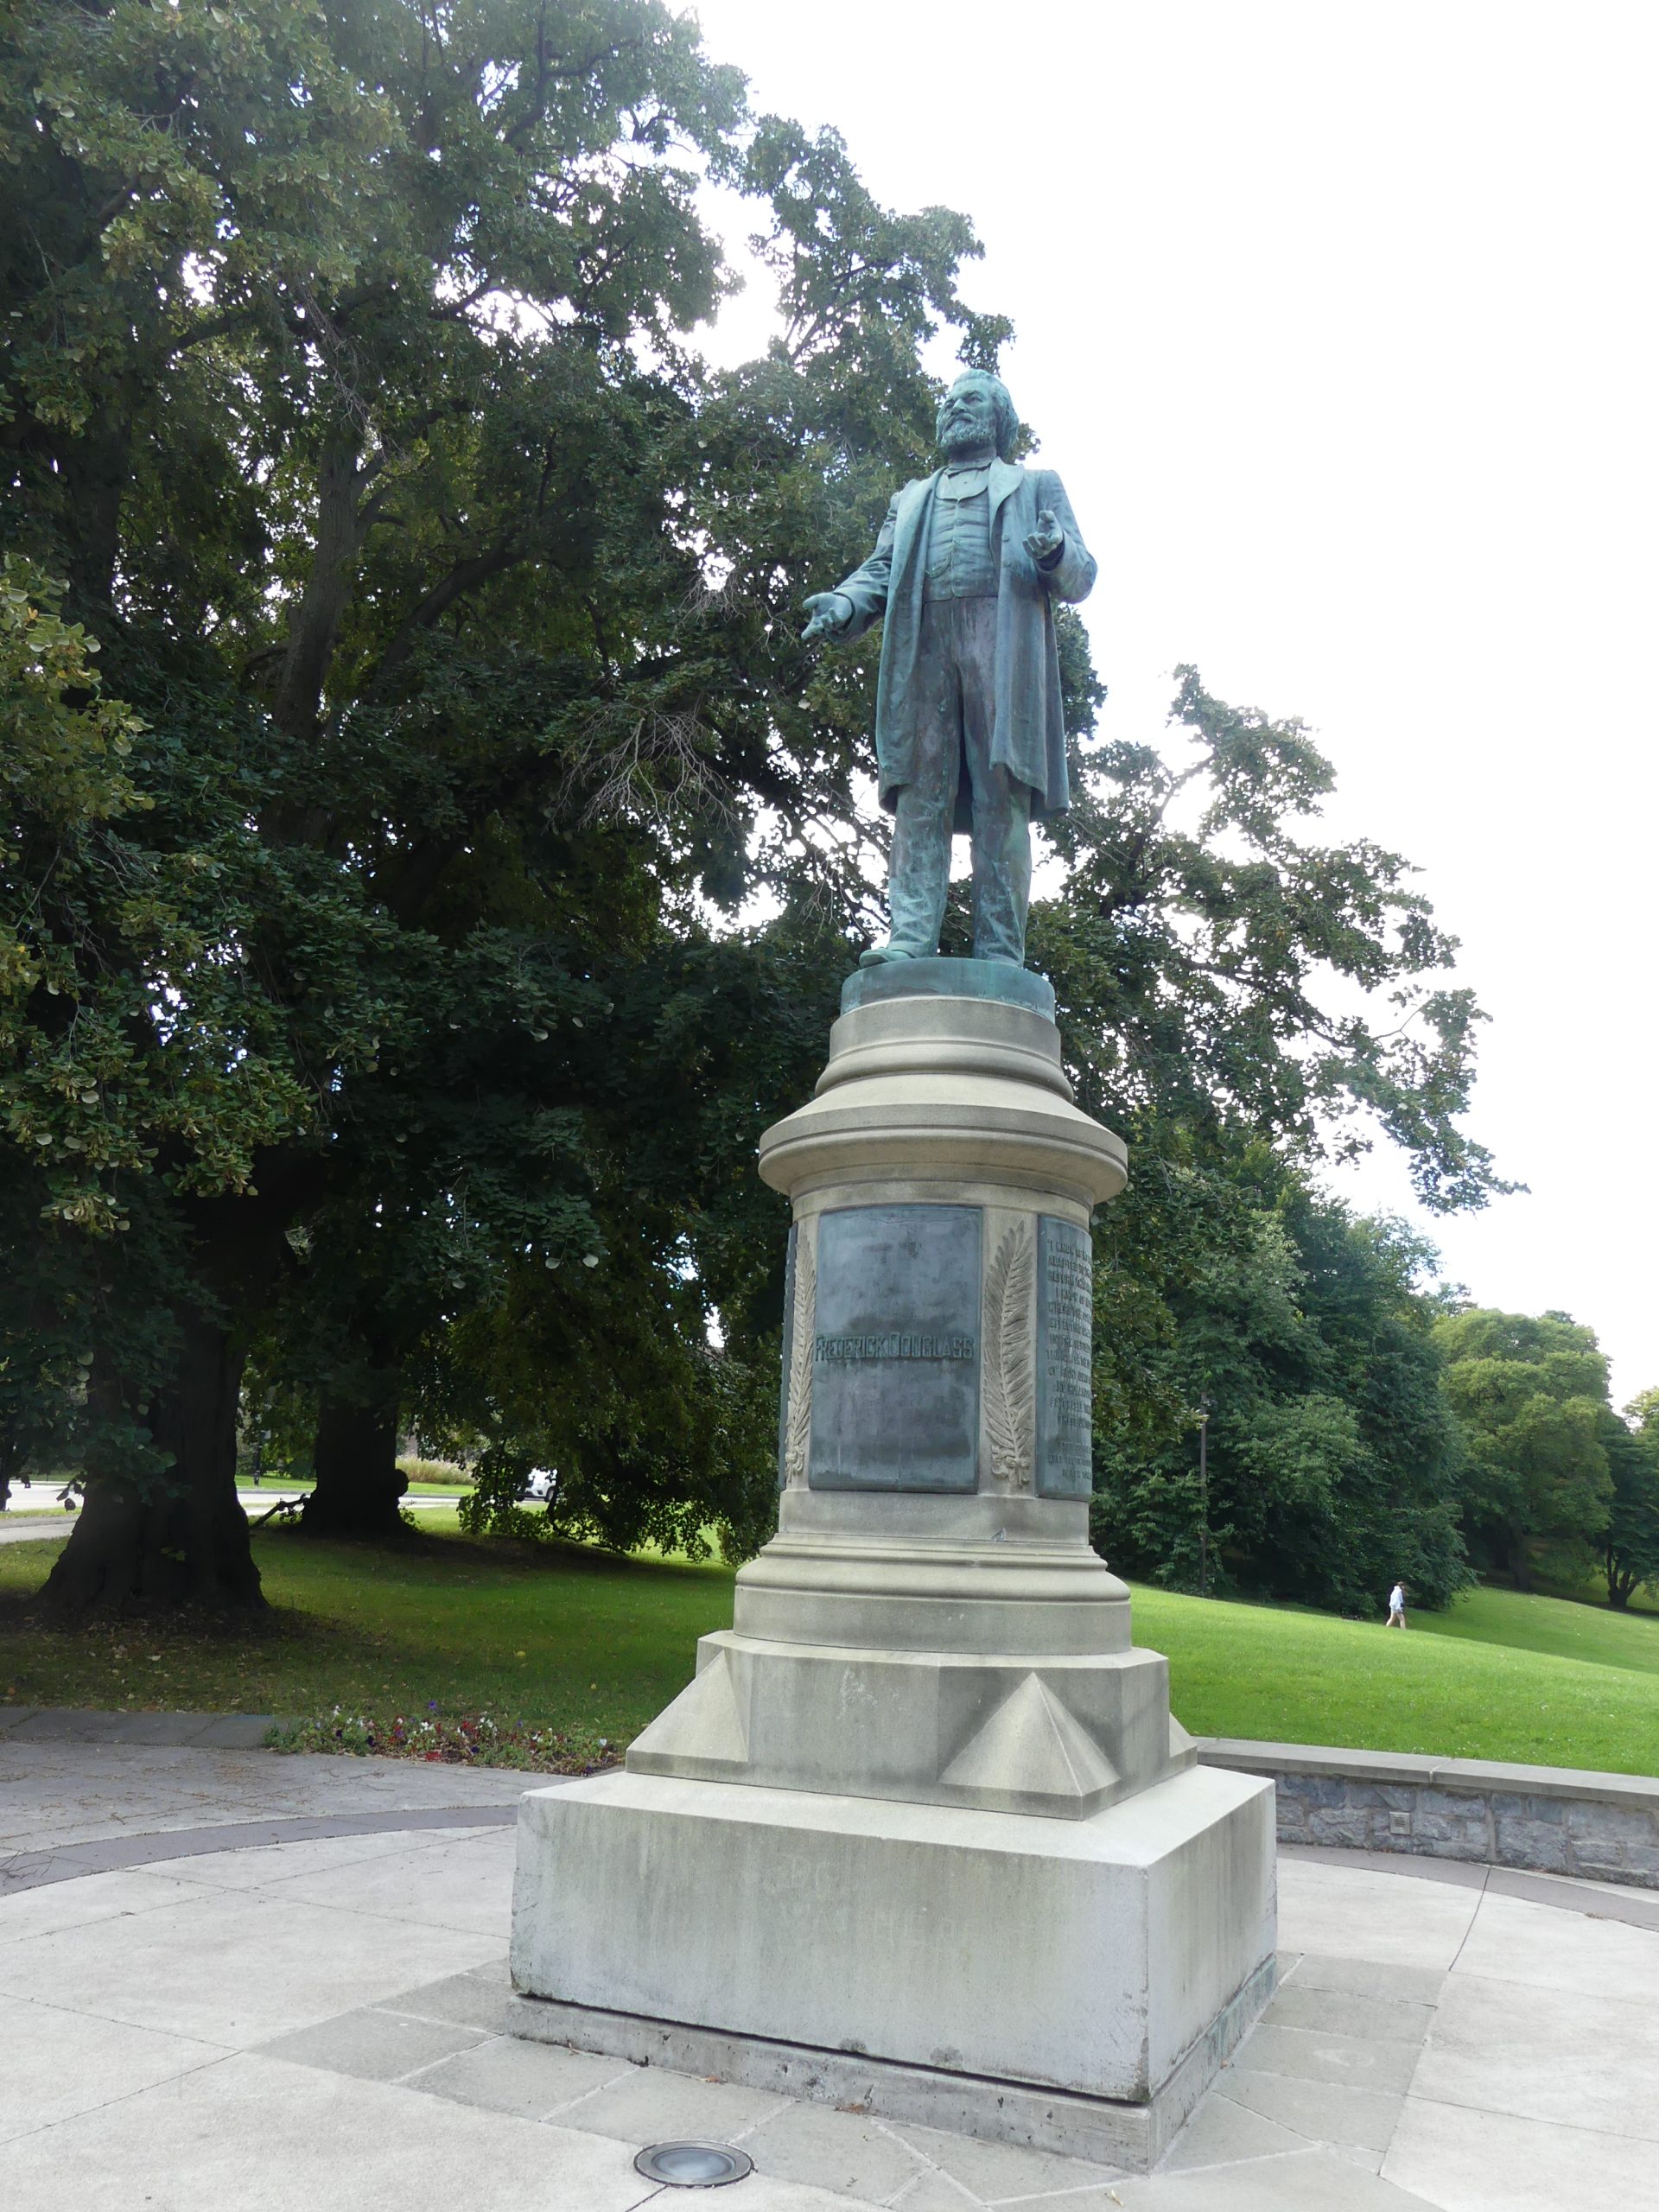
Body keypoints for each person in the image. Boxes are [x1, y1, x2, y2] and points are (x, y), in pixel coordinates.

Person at [800, 369, 1096, 969]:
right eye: (950, 400)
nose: (957, 407)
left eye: (972, 399)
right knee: (920, 798)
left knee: (999, 797)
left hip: (1001, 643)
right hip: (924, 642)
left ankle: (1000, 954)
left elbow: (1082, 575)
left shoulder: (1037, 486)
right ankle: (908, 939)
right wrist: (844, 602)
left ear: (999, 418)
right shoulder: (910, 499)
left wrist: (1056, 551)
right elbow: (879, 571)